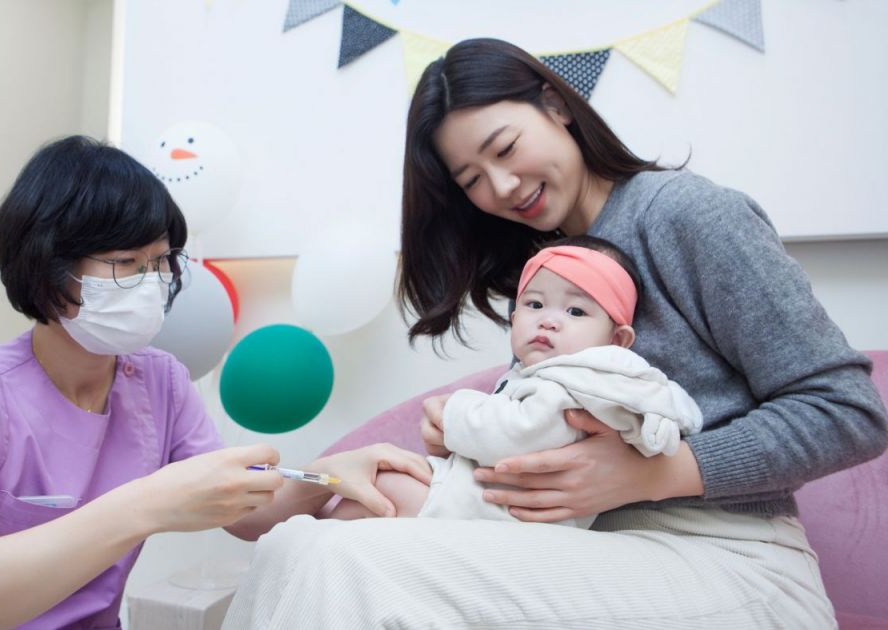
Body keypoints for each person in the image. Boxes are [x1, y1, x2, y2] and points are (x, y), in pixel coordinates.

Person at [220, 38, 888, 628]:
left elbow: (849, 412)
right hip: (587, 548)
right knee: (300, 545)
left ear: (556, 104)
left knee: (344, 566)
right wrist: (467, 437)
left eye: (506, 148)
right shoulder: (549, 275)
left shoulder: (688, 215)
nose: (503, 186)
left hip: (730, 562)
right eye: (472, 179)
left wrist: (652, 472)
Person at [0, 136, 428, 630]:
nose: (152, 283)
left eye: (160, 262)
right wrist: (146, 505)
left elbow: (243, 508)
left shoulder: (159, 382)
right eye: (126, 262)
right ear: (46, 267)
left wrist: (328, 476)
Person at [329, 237, 702, 527]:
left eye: (575, 311)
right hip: (488, 495)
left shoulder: (581, 381)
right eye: (534, 304)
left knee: (381, 491)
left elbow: (524, 433)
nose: (548, 320)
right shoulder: (546, 373)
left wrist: (457, 414)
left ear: (616, 340)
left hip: (510, 513)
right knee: (366, 490)